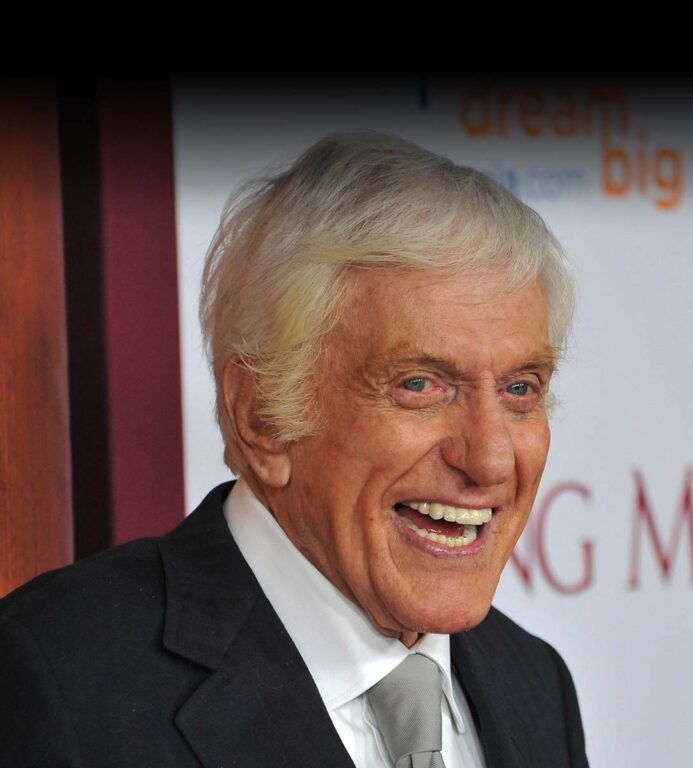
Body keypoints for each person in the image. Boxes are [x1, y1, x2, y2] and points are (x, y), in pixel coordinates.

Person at [0, 131, 589, 767]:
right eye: (421, 385)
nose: (491, 460)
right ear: (262, 417)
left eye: (520, 388)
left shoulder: (534, 683)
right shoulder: (57, 681)